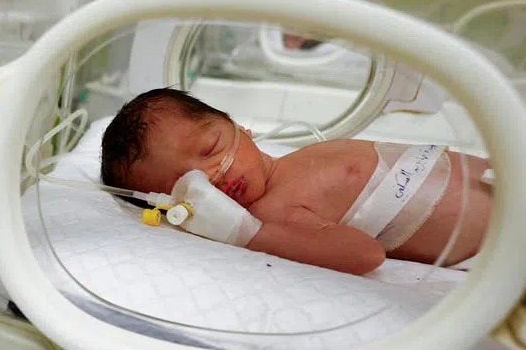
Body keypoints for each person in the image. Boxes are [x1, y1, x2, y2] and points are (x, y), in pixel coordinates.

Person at [100, 88, 491, 275]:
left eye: (211, 147)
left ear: (239, 126)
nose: (214, 174)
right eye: (190, 184)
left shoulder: (300, 156)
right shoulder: (272, 215)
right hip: (496, 239)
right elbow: (366, 255)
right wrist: (244, 232)